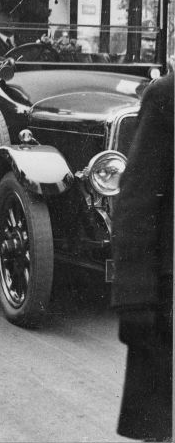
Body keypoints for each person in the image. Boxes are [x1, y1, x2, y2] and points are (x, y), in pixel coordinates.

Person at [111, 70, 172, 442]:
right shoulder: (168, 95)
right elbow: (136, 203)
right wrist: (134, 297)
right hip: (170, 289)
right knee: (158, 426)